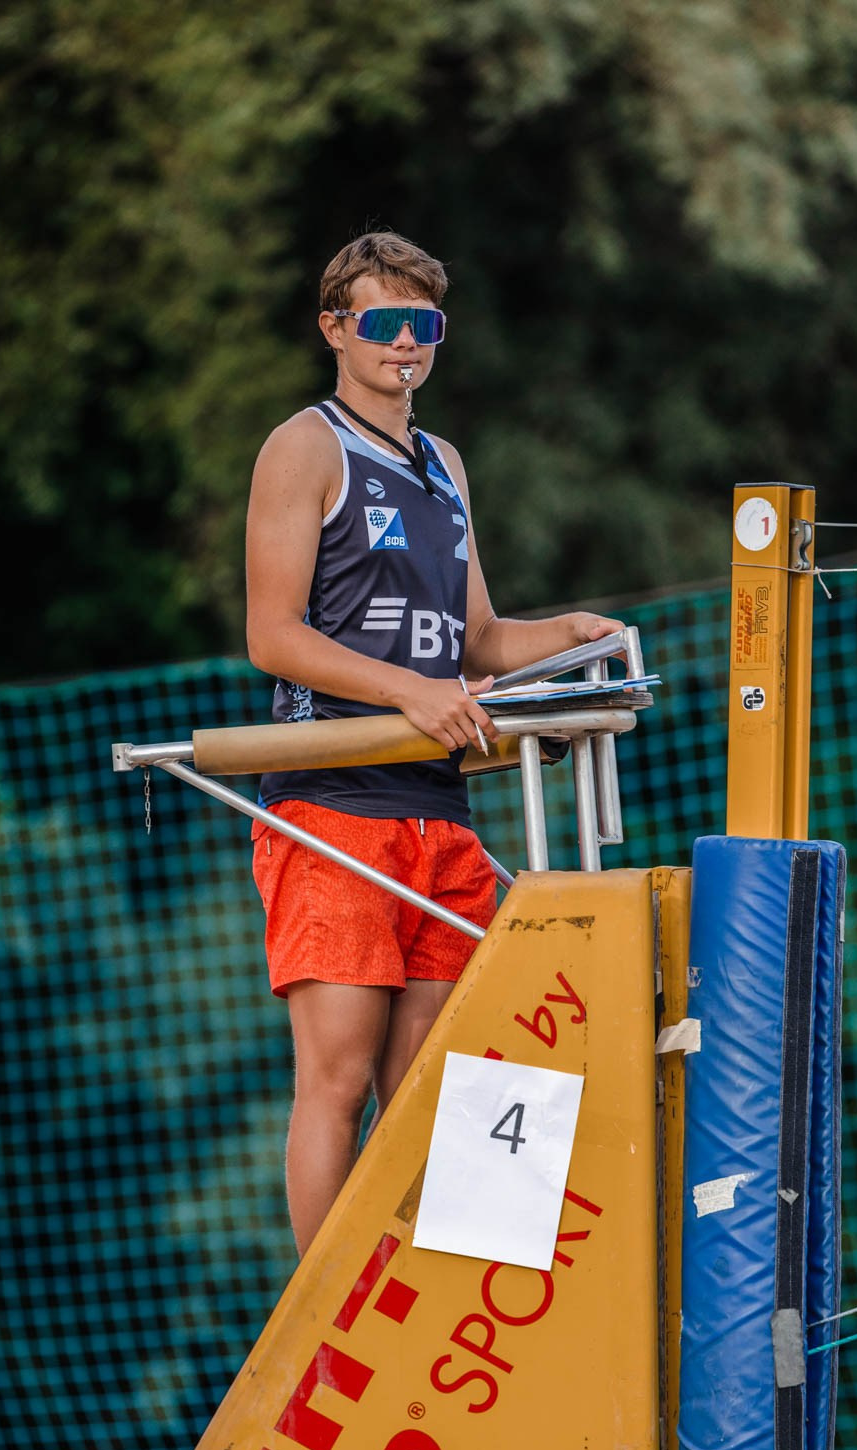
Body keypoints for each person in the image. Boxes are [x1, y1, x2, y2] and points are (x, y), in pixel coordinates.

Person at [245, 231, 623, 1256]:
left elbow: (482, 639)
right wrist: (413, 692)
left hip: (436, 809)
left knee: (435, 1086)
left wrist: (572, 636)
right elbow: (272, 635)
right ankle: (324, 1314)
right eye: (382, 324)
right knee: (334, 1075)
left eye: (424, 326)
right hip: (331, 806)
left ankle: (415, 1302)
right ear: (336, 330)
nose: (404, 344)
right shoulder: (305, 447)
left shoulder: (445, 462)